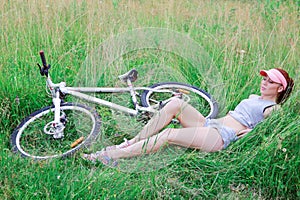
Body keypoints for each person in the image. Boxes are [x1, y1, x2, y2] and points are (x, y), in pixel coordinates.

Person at [82, 68, 294, 166]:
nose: (264, 82)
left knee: (169, 134)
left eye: (270, 81)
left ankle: (112, 156)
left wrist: (247, 134)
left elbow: (267, 135)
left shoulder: (272, 108)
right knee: (175, 103)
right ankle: (130, 143)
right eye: (264, 78)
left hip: (222, 136)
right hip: (211, 124)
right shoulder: (254, 97)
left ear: (280, 89)